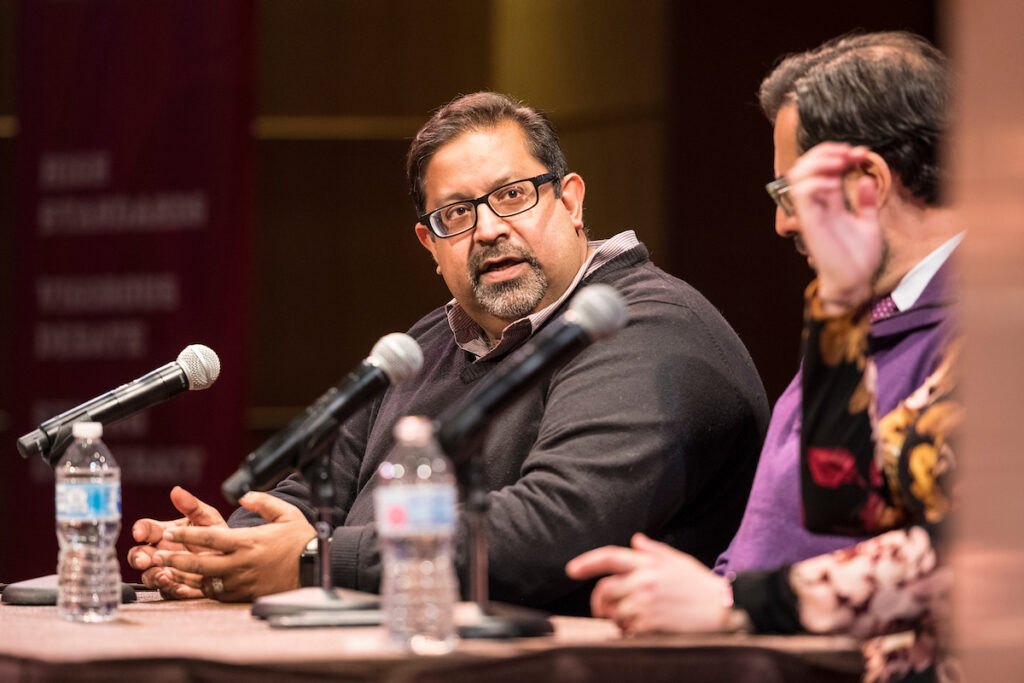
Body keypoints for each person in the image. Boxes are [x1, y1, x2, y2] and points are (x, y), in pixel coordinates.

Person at [127, 92, 770, 615]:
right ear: (429, 246)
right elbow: (319, 488)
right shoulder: (430, 342)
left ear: (571, 200)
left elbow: (551, 532)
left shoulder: (646, 327)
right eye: (456, 215)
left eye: (513, 195)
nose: (488, 229)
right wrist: (226, 548)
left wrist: (310, 561)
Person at [566, 30, 961, 678]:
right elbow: (845, 503)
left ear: (867, 183)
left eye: (791, 195)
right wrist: (838, 301)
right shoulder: (861, 316)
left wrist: (729, 603)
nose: (781, 223)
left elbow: (968, 560)